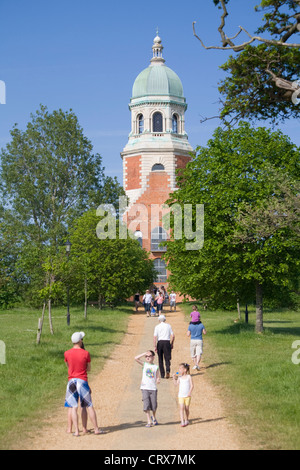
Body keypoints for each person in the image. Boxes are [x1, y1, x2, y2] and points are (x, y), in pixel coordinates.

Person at [64, 331, 102, 436]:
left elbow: (68, 366)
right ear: (80, 341)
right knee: (88, 405)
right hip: (82, 380)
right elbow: (88, 368)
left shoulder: (67, 353)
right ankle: (96, 429)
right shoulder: (86, 353)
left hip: (71, 381)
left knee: (73, 406)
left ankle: (76, 431)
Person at [135, 350, 160, 427]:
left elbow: (157, 377)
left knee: (154, 405)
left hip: (153, 388)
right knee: (146, 405)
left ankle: (154, 417)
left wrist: (158, 380)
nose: (148, 357)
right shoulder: (144, 364)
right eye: (146, 356)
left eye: (149, 356)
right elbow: (136, 358)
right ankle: (149, 421)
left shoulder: (156, 367)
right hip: (144, 388)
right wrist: (143, 353)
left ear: (153, 357)